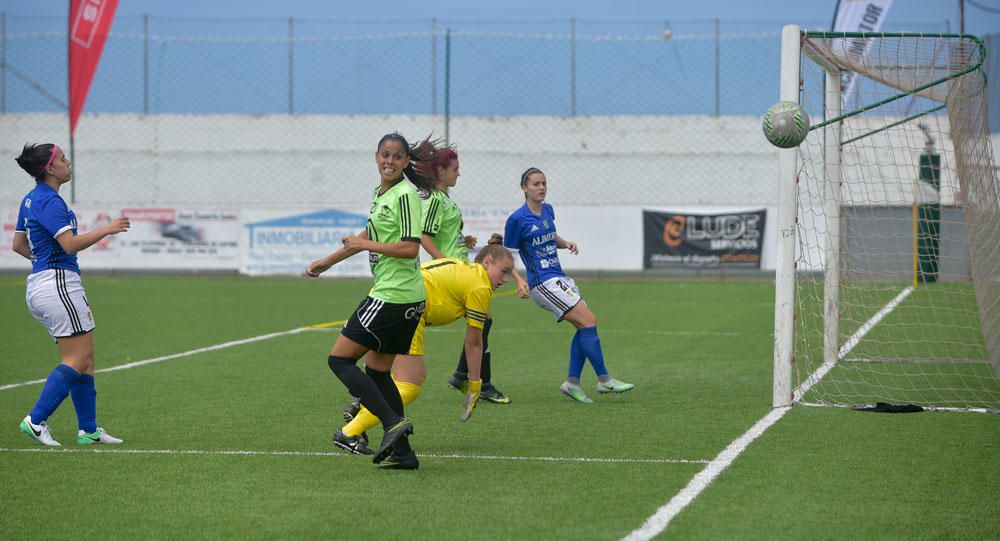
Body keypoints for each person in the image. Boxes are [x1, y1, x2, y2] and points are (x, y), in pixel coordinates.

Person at [306, 132, 440, 470]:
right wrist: (328, 261)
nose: (390, 161)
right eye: (385, 155)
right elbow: (367, 236)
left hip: (393, 297)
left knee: (339, 361)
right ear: (376, 156)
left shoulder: (406, 196)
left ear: (407, 162)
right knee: (379, 374)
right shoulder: (382, 193)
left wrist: (364, 247)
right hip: (401, 298)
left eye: (397, 157)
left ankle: (392, 424)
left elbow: (410, 247)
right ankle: (404, 454)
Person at [334, 243, 515, 456]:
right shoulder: (480, 285)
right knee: (409, 384)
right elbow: (474, 342)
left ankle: (362, 411)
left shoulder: (467, 271)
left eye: (510, 273)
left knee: (380, 374)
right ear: (487, 263)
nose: (506, 279)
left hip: (391, 297)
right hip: (408, 308)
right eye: (504, 271)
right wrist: (475, 386)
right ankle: (350, 431)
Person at [13, 143, 130, 446]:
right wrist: (107, 229)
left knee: (86, 358)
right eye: (63, 159)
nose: (69, 162)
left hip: (44, 283)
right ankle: (36, 420)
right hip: (58, 284)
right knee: (77, 358)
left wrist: (41, 264)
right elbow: (70, 245)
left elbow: (18, 245)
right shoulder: (49, 201)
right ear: (50, 168)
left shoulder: (30, 199)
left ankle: (88, 430)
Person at [503, 167, 634, 404]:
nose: (541, 187)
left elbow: (550, 235)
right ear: (524, 188)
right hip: (543, 283)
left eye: (544, 183)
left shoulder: (548, 210)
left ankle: (572, 383)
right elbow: (507, 254)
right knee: (590, 321)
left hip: (559, 278)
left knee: (584, 327)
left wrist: (565, 243)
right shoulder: (517, 219)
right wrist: (518, 279)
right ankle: (604, 380)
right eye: (535, 184)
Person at [417, 147, 511, 404]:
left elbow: (442, 234)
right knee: (483, 322)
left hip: (461, 269)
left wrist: (462, 240)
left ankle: (462, 374)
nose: (459, 173)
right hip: (453, 275)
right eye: (455, 169)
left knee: (482, 323)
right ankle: (482, 383)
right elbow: (424, 236)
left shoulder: (445, 199)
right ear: (440, 171)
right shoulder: (436, 199)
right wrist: (443, 263)